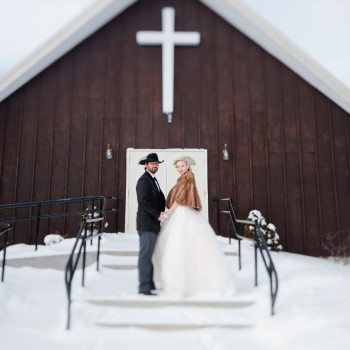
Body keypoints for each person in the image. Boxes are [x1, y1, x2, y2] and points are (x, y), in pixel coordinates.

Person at [152, 157, 235, 298]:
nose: (180, 168)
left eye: (182, 166)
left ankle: (185, 283)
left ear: (188, 166)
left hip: (183, 212)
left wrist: (167, 213)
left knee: (181, 245)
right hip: (181, 212)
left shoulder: (188, 178)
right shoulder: (183, 178)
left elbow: (180, 199)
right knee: (181, 246)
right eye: (177, 166)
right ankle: (183, 281)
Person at [136, 153, 166, 295]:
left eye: (156, 163)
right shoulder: (144, 181)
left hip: (153, 225)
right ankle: (144, 287)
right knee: (145, 256)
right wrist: (158, 214)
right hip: (146, 224)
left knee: (150, 255)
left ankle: (150, 284)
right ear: (146, 165)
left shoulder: (153, 179)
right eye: (152, 163)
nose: (155, 165)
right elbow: (144, 202)